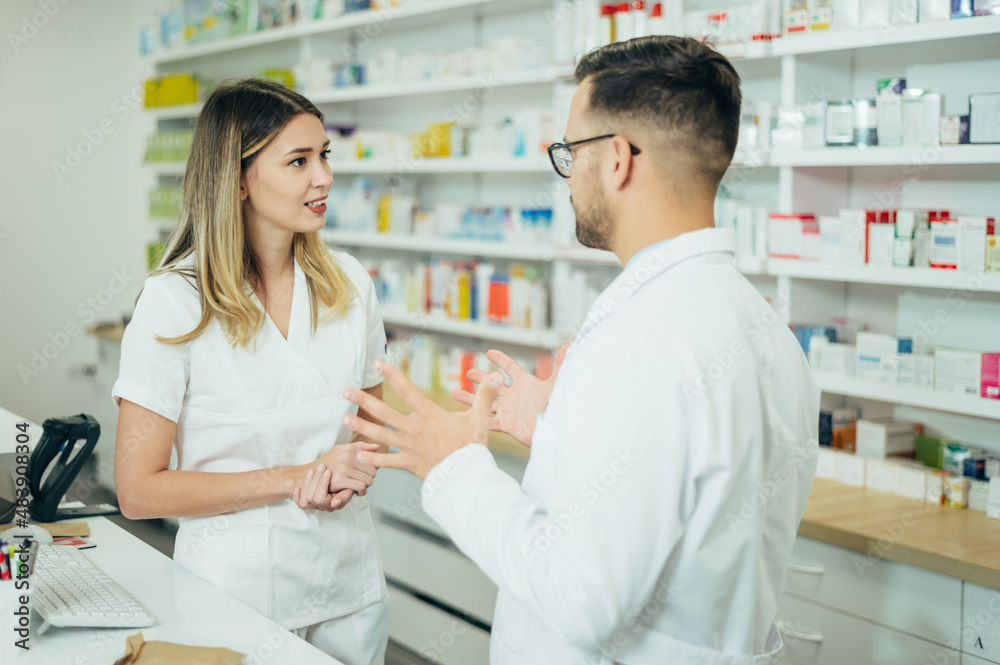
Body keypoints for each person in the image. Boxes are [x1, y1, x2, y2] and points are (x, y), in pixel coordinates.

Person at [316, 36, 820, 664]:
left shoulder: (641, 341)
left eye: (569, 152)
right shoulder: (765, 326)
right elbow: (686, 490)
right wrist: (563, 432)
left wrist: (452, 465)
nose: (567, 175)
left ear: (616, 159)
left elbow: (582, 599)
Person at [112, 79, 389, 665]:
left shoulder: (350, 285)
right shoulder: (175, 301)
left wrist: (354, 467)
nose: (324, 178)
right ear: (237, 180)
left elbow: (373, 426)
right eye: (299, 161)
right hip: (231, 599)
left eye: (324, 156)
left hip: (349, 590)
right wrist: (294, 477)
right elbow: (138, 491)